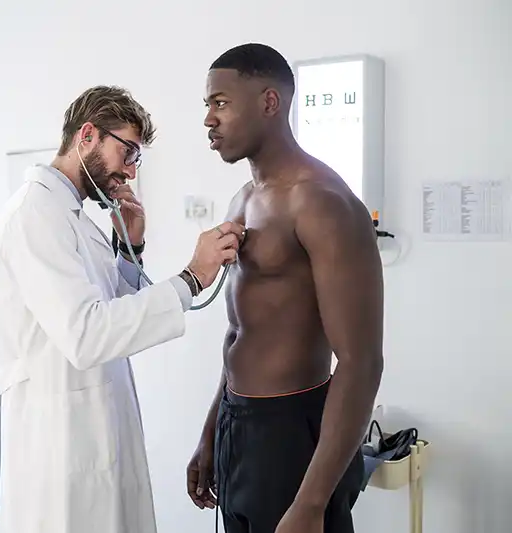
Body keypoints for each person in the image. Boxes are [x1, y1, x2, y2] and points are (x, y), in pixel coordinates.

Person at [0, 85, 245, 533]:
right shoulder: (35, 215)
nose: (128, 172)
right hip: (58, 440)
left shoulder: (72, 216)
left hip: (93, 426)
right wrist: (191, 278)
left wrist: (130, 250)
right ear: (87, 135)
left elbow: (110, 312)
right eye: (127, 153)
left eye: (136, 159)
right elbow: (87, 335)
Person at [186, 44, 384, 533]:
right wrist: (214, 428)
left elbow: (362, 363)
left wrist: (312, 503)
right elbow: (243, 332)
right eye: (207, 106)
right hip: (239, 424)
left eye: (221, 103)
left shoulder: (323, 203)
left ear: (269, 102)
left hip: (293, 437)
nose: (209, 119)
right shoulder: (243, 199)